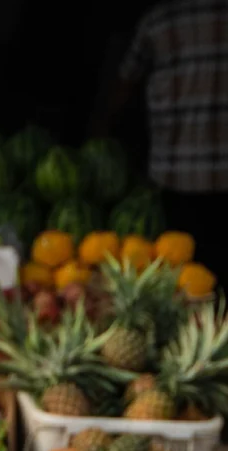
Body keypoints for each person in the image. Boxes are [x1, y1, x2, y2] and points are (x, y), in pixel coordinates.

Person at [107, 0, 228, 279]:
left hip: (174, 175)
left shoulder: (158, 19)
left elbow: (124, 83)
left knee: (177, 280)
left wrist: (102, 130)